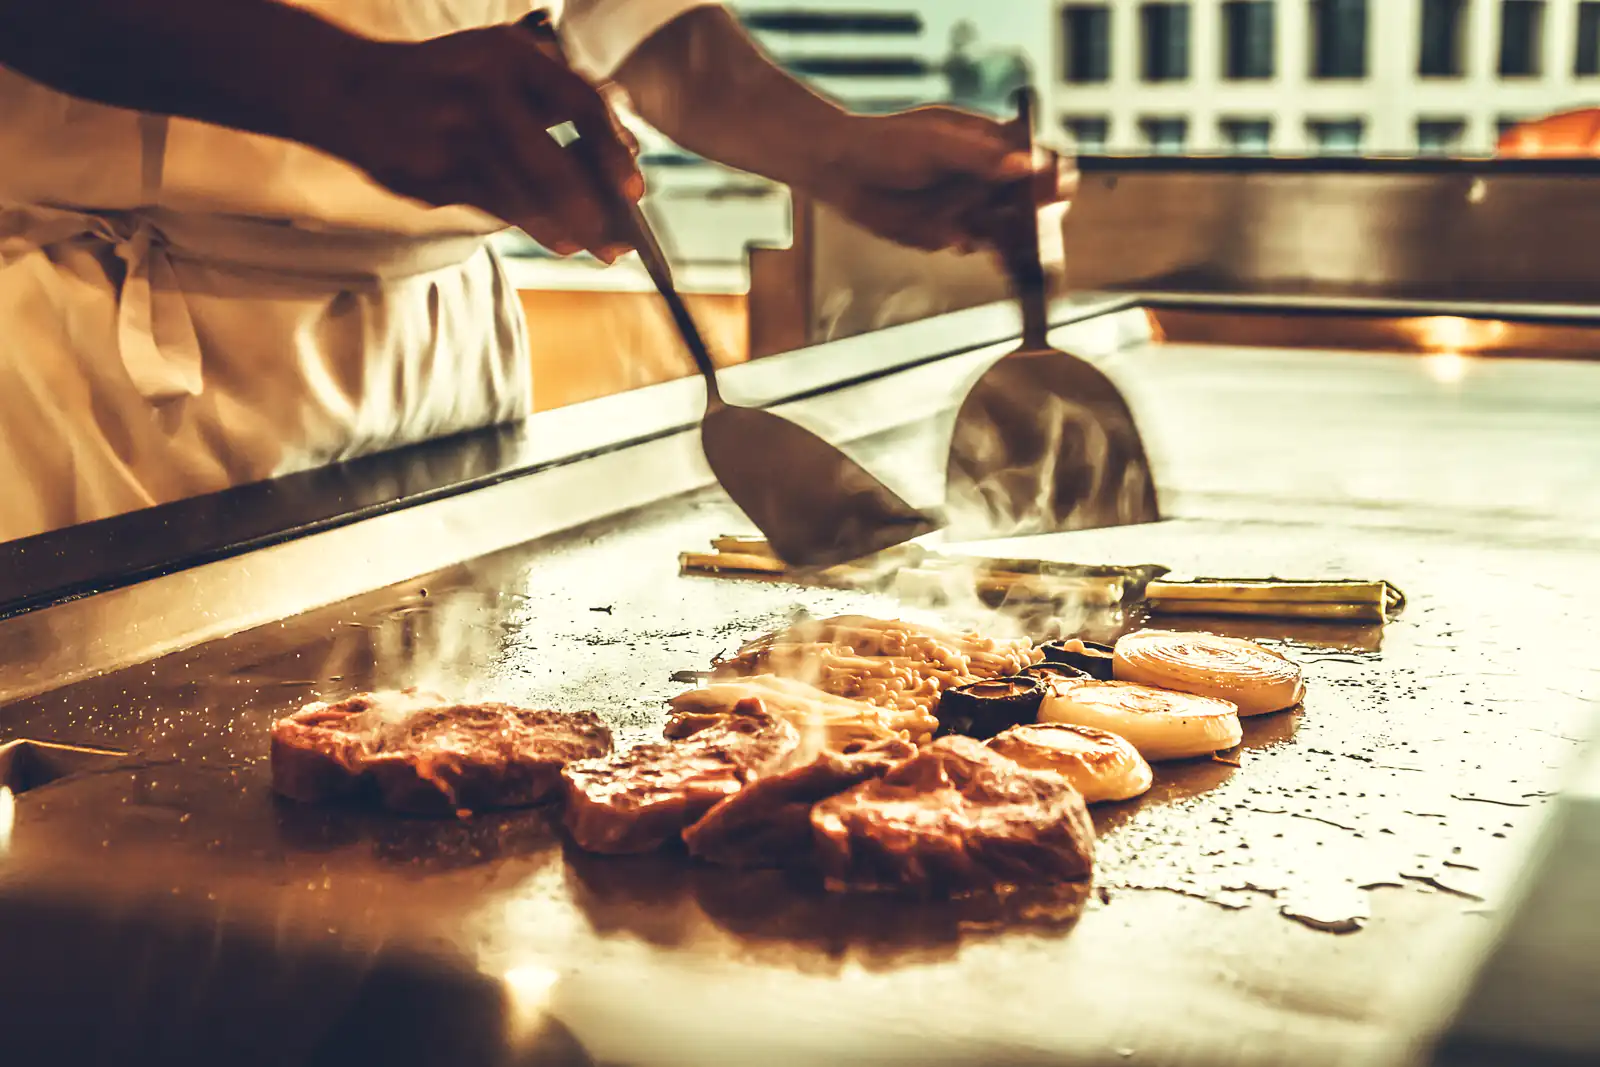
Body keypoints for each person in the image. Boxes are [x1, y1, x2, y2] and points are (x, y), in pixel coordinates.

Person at [0, 0, 1061, 544]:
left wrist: (829, 148)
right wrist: (344, 85)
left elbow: (617, 14)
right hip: (121, 357)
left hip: (448, 337)